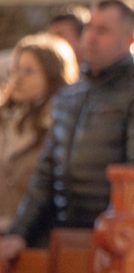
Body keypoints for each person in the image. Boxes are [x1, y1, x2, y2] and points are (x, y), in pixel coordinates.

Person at [1, 0, 134, 270]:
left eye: (103, 31)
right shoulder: (72, 94)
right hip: (68, 236)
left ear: (129, 38)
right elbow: (45, 174)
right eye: (89, 28)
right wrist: (18, 232)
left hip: (122, 241)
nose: (91, 38)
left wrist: (113, 234)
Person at [0, 34, 79, 232]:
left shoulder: (61, 126)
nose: (17, 79)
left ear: (51, 76)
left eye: (29, 71)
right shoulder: (5, 121)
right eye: (15, 70)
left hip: (35, 236)